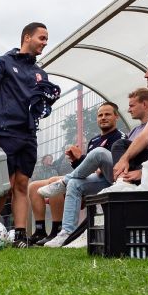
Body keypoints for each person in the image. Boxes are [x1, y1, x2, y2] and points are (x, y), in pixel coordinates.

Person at [0, 22, 60, 248]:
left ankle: (21, 235)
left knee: (22, 184)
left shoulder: (39, 73)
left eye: (46, 39)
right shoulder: (1, 62)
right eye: (41, 38)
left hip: (28, 135)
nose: (45, 43)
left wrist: (46, 103)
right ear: (27, 37)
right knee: (3, 187)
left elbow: (39, 107)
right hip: (2, 132)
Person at [31, 102, 126, 244]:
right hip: (98, 179)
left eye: (107, 114)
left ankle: (63, 184)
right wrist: (75, 160)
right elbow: (87, 167)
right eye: (100, 115)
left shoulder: (121, 137)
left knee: (97, 154)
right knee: (73, 183)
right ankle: (66, 233)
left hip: (115, 177)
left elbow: (108, 165)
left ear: (116, 117)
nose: (103, 117)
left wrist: (84, 160)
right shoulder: (94, 140)